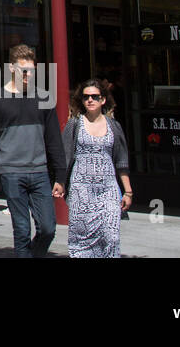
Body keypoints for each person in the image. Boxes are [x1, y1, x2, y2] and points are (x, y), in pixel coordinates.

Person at [0, 45, 67, 258]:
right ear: (11, 68)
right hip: (11, 172)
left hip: (39, 171)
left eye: (32, 70)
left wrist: (61, 176)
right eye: (23, 70)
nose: (28, 75)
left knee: (48, 228)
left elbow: (54, 140)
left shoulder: (44, 98)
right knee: (22, 230)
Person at [63, 79, 132, 257]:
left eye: (95, 96)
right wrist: (59, 183)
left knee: (111, 238)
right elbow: (64, 157)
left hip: (108, 191)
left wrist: (128, 191)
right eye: (86, 97)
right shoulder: (75, 124)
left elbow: (121, 161)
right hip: (81, 191)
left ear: (103, 100)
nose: (90, 100)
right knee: (81, 242)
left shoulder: (114, 127)